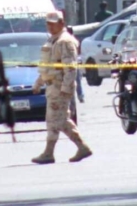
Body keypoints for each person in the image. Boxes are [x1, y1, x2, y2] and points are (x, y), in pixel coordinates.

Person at [31, 11, 93, 164]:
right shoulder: (54, 41)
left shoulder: (65, 41)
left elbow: (70, 68)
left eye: (53, 23)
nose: (50, 26)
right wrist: (39, 82)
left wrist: (66, 88)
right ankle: (75, 148)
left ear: (61, 23)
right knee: (57, 120)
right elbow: (49, 66)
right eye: (48, 23)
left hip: (60, 87)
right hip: (52, 86)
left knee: (57, 119)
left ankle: (53, 151)